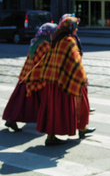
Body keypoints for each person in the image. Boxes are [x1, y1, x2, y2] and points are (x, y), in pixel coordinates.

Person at [26, 17, 95, 146]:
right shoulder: (69, 41)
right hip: (64, 81)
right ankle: (80, 129)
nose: (76, 29)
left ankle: (51, 136)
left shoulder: (56, 40)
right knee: (75, 105)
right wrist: (83, 79)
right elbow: (76, 63)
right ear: (70, 28)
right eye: (75, 27)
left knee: (52, 109)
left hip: (52, 81)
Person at [2, 23, 57, 132]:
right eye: (54, 32)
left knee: (21, 101)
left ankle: (11, 119)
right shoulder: (44, 44)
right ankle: (43, 121)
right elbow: (45, 62)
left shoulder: (36, 41)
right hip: (36, 76)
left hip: (26, 74)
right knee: (38, 101)